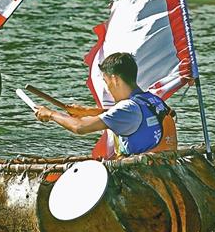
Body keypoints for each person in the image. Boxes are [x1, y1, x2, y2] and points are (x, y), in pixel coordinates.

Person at [33, 52, 177, 158]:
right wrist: (86, 111)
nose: (107, 88)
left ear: (115, 79)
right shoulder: (152, 100)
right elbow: (128, 116)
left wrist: (51, 114)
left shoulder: (127, 108)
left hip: (142, 175)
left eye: (106, 81)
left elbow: (79, 127)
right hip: (166, 168)